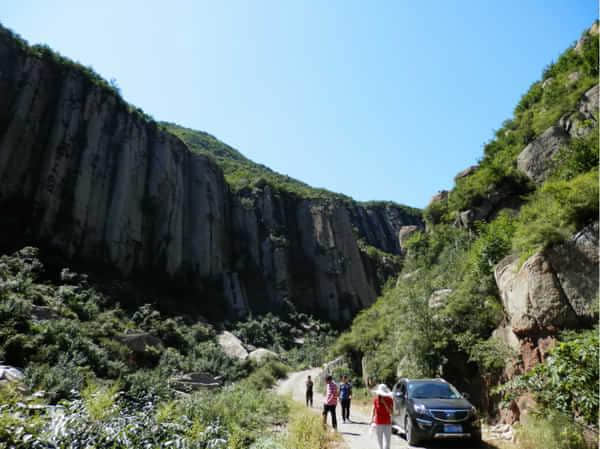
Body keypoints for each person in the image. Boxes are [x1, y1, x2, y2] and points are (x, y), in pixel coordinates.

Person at [370, 384, 394, 449]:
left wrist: (385, 403)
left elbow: (391, 412)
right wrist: (371, 419)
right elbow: (374, 409)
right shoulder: (376, 400)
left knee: (387, 443)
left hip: (387, 423)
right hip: (378, 423)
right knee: (379, 443)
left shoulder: (390, 399)